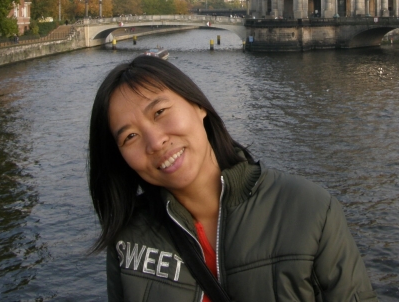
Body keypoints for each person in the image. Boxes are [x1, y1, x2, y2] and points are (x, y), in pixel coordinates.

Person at [88, 56, 377, 302]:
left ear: (198, 105)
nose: (155, 142)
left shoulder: (312, 211)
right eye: (130, 136)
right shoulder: (128, 239)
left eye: (160, 112)